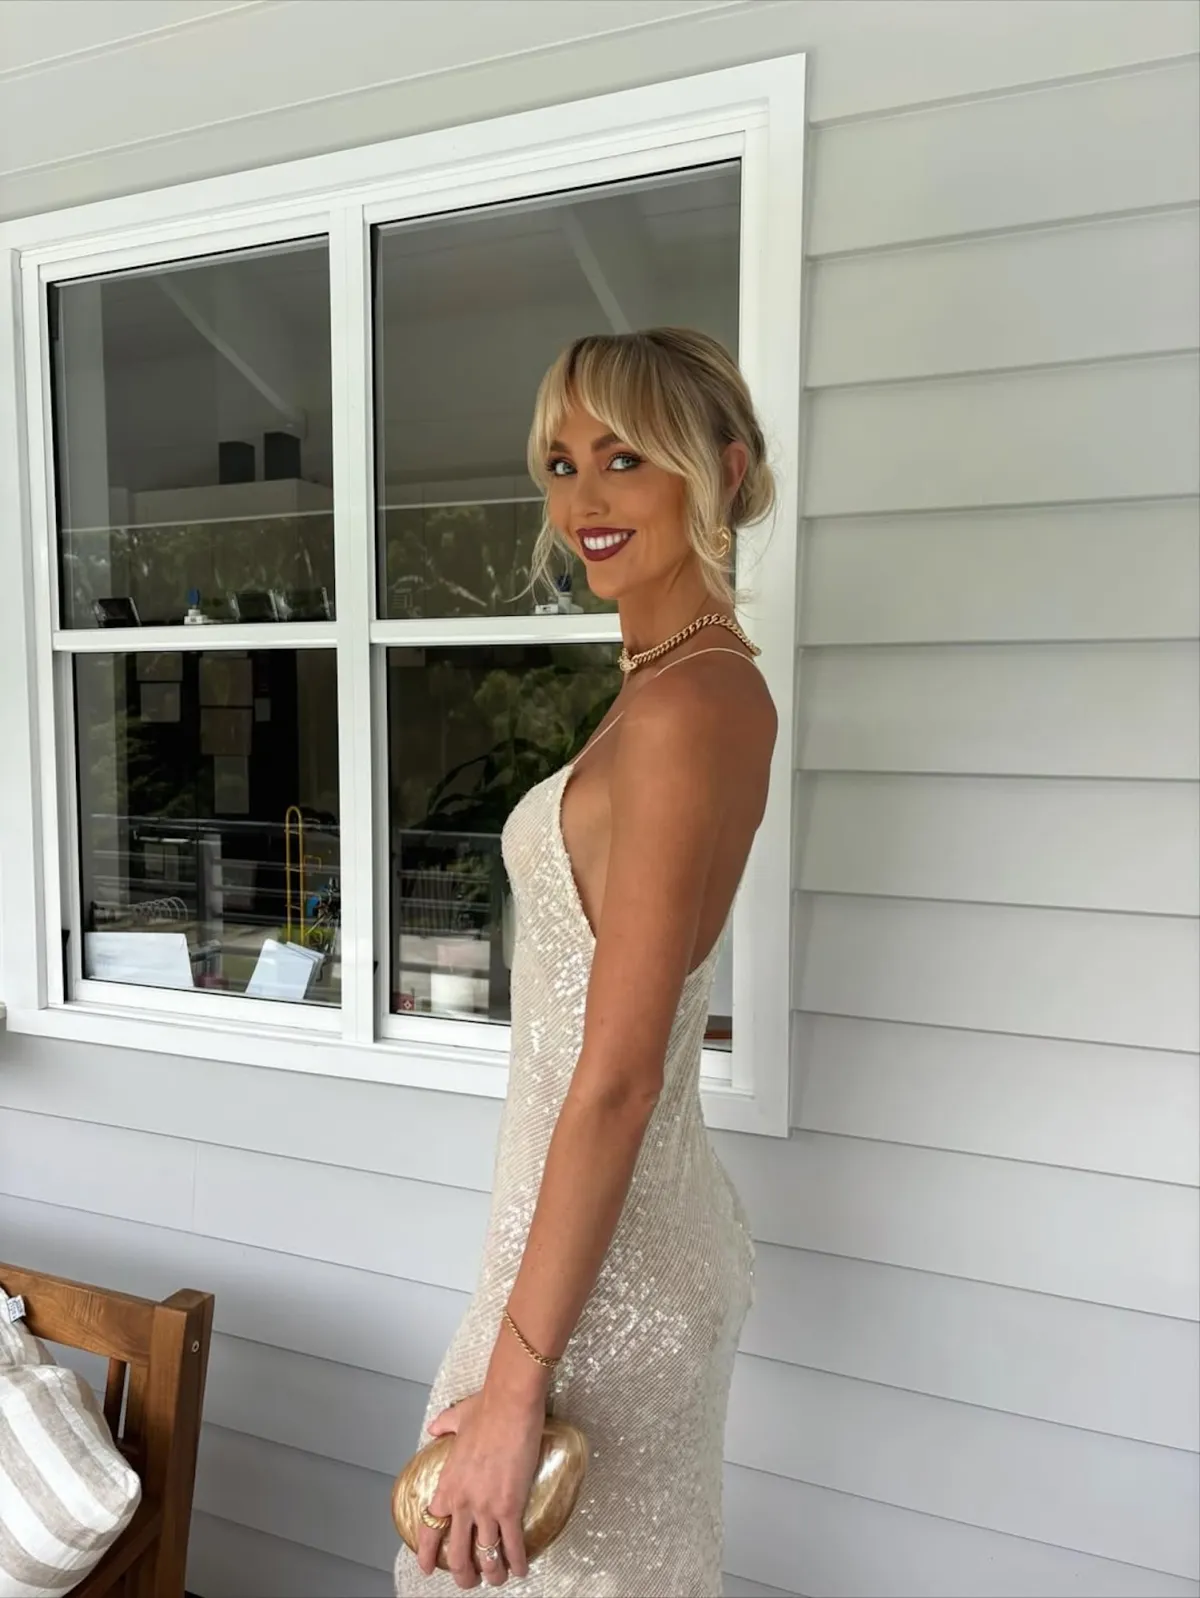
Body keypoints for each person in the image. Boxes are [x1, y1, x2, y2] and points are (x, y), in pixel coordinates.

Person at [394, 327, 777, 1597]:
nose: (583, 500)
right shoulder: (690, 687)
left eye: (624, 458)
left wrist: (516, 1387)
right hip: (606, 1257)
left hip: (595, 1300)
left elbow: (616, 1079)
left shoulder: (683, 709)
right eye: (561, 464)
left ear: (720, 469)